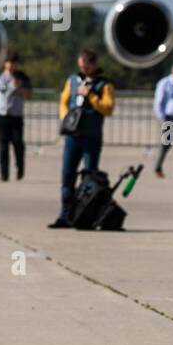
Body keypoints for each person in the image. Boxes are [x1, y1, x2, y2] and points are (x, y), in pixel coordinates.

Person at [49, 49, 116, 229]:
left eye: (86, 67)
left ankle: (86, 214)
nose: (83, 70)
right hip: (73, 136)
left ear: (94, 65)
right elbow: (64, 100)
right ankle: (65, 215)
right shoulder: (72, 81)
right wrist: (65, 118)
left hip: (91, 137)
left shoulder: (105, 84)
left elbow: (108, 108)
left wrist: (91, 96)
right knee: (67, 176)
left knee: (89, 177)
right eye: (81, 67)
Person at [0, 53, 32, 182]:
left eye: (13, 62)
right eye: (9, 62)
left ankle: (20, 167)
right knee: (3, 146)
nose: (11, 65)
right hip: (1, 115)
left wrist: (20, 87)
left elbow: (29, 95)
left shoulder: (22, 77)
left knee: (18, 144)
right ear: (5, 63)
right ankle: (4, 173)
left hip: (16, 116)